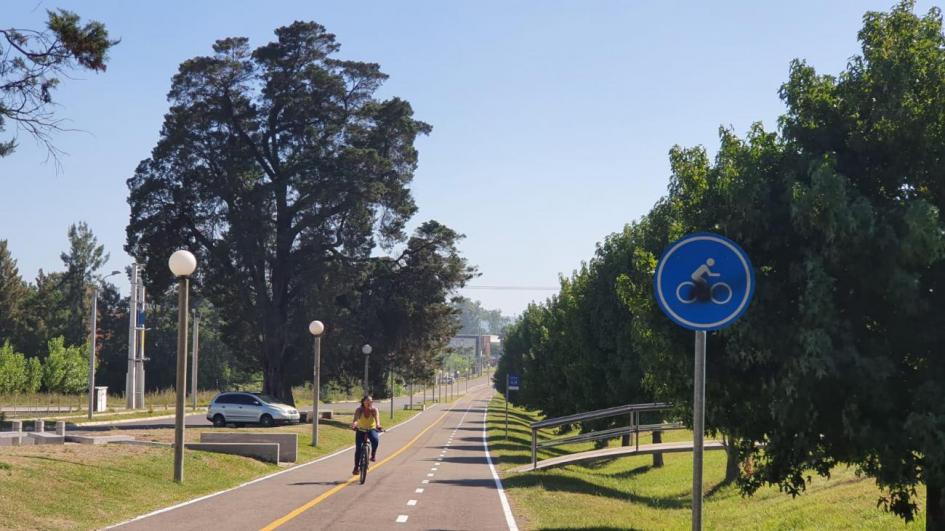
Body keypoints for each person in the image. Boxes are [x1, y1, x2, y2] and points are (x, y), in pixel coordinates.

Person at [351, 395, 383, 475]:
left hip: (371, 429)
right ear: (363, 402)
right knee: (358, 449)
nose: (369, 403)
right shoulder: (359, 410)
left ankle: (373, 455)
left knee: (375, 440)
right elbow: (356, 419)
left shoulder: (374, 410)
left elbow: (377, 419)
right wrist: (354, 425)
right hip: (361, 430)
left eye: (371, 401)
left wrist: (378, 425)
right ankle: (356, 467)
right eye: (367, 401)